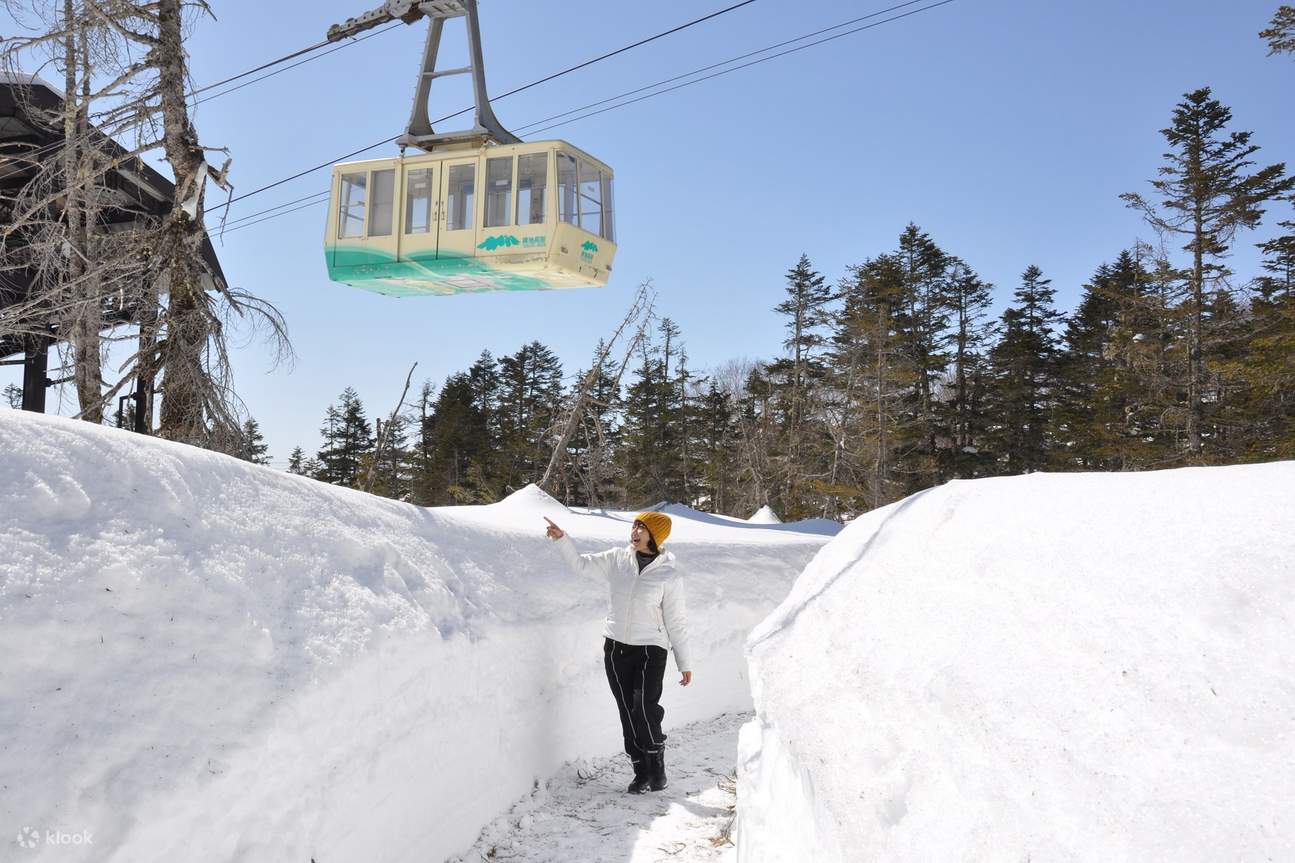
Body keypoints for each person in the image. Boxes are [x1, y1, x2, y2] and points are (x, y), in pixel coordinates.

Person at [545, 511, 692, 794]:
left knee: (644, 709)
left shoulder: (668, 574)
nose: (635, 531)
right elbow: (580, 566)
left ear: (655, 535)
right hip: (616, 648)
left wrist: (684, 661)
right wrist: (562, 540)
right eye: (635, 525)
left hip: (651, 649)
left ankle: (656, 765)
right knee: (627, 711)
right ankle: (640, 771)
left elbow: (677, 620)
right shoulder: (616, 559)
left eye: (642, 528)